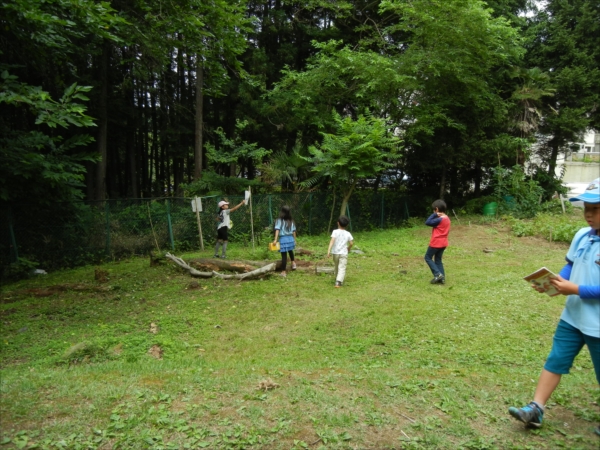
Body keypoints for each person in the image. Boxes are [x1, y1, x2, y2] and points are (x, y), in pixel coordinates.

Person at [508, 178, 600, 435]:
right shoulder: (582, 235)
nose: (589, 214)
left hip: (598, 325)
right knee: (556, 360)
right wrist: (555, 281)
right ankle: (536, 408)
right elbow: (571, 264)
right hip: (573, 316)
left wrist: (577, 289)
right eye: (586, 208)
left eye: (596, 208)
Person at [424, 199, 451, 284]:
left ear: (436, 209)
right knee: (438, 260)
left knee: (427, 257)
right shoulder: (447, 218)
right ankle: (442, 279)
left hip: (436, 243)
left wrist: (434, 214)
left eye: (434, 210)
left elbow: (427, 222)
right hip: (444, 243)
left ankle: (437, 274)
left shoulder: (439, 220)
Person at [327, 215, 354, 288]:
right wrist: (349, 248)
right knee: (342, 267)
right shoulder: (348, 233)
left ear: (338, 223)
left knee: (336, 266)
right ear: (347, 225)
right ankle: (338, 282)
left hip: (335, 253)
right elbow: (351, 243)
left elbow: (332, 241)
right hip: (343, 253)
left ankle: (337, 279)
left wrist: (329, 250)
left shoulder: (335, 232)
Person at [273, 205, 297, 278]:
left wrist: (275, 239)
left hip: (283, 239)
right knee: (290, 251)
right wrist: (294, 240)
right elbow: (294, 232)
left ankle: (283, 272)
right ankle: (293, 263)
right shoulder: (291, 221)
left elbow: (277, 230)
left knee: (284, 256)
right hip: (290, 239)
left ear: (282, 212)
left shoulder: (279, 221)